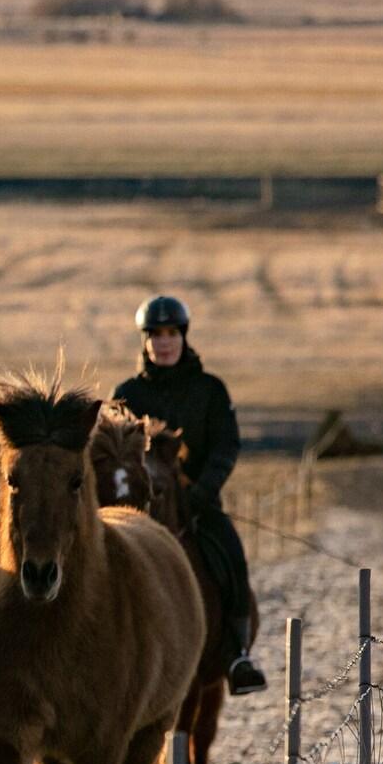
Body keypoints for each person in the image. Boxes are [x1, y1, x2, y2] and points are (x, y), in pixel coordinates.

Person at [113, 295, 268, 696]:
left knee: (231, 557)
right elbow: (113, 450)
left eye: (171, 334)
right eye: (156, 335)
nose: (164, 343)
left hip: (198, 504)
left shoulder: (210, 390)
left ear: (183, 336)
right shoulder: (126, 393)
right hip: (139, 512)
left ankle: (237, 653)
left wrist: (203, 490)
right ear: (145, 341)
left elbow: (226, 445)